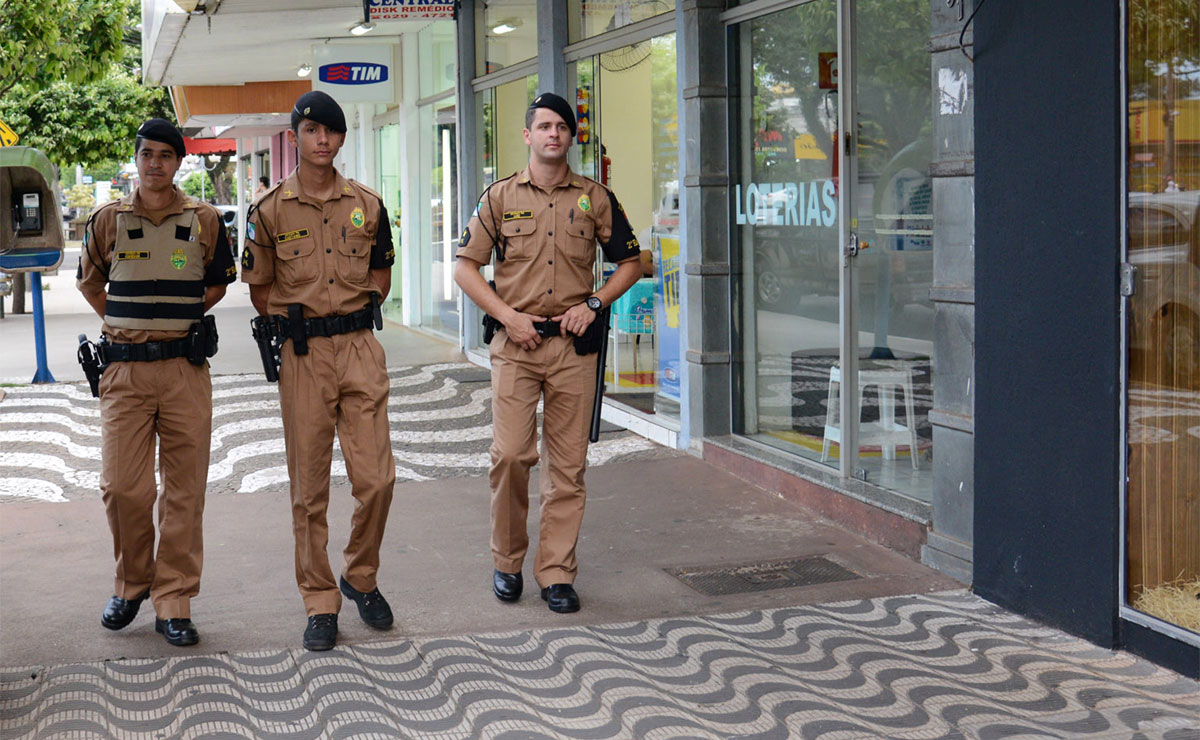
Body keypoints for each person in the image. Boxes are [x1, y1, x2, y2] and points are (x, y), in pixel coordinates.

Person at [454, 92, 642, 614]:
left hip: (572, 350)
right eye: (544, 126)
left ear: (571, 135)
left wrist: (596, 302)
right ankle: (507, 561)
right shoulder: (499, 197)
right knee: (511, 456)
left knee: (569, 466)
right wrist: (508, 315)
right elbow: (465, 267)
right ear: (527, 136)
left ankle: (557, 572)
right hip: (516, 345)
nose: (554, 134)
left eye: (562, 125)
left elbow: (631, 261)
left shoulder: (596, 198)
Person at [241, 91, 397, 651]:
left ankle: (360, 574)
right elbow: (260, 291)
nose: (322, 140)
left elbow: (381, 275)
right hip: (304, 355)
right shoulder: (270, 211)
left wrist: (353, 313)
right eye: (311, 131)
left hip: (358, 347)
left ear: (341, 139)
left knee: (378, 480)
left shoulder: (369, 206)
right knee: (309, 491)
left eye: (330, 131)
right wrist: (298, 322)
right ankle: (320, 600)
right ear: (297, 138)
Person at [77, 118, 236, 647]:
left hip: (185, 372)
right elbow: (90, 282)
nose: (155, 164)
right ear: (137, 158)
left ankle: (175, 599)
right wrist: (128, 326)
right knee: (123, 487)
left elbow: (216, 284)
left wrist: (177, 320)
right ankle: (131, 582)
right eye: (147, 154)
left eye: (166, 155)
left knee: (185, 491)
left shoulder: (206, 219)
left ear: (179, 162)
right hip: (124, 371)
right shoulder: (107, 221)